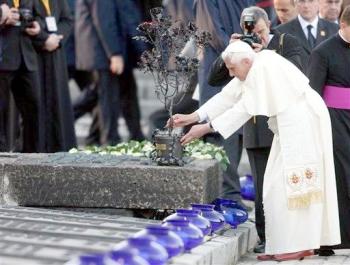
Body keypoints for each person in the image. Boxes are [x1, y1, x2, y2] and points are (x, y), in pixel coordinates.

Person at [169, 40, 340, 261]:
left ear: (247, 61)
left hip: (304, 123)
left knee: (293, 186)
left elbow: (245, 108)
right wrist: (193, 117)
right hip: (289, 125)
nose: (230, 74)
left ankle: (302, 244)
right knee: (274, 186)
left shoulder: (263, 67)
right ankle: (289, 244)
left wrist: (207, 128)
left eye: (232, 69)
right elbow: (226, 97)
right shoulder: (251, 66)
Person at [208, 6, 303, 254]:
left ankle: (292, 237)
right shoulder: (241, 49)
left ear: (268, 25)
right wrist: (231, 50)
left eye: (260, 31)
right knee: (261, 189)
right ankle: (265, 237)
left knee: (286, 185)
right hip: (255, 129)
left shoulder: (285, 41)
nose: (257, 37)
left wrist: (262, 55)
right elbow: (214, 79)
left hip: (284, 128)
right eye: (252, 32)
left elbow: (295, 73)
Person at [194, 0, 255, 206]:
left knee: (237, 137)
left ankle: (230, 195)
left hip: (243, 73)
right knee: (222, 140)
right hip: (220, 73)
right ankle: (227, 197)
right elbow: (212, 32)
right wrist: (240, 48)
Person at [307, 5, 350, 254]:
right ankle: (335, 237)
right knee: (340, 178)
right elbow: (313, 94)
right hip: (335, 122)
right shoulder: (322, 51)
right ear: (342, 26)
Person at [33, 0, 76, 152]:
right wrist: (44, 39)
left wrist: (56, 38)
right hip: (34, 53)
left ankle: (57, 147)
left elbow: (67, 19)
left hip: (55, 52)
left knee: (57, 102)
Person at [0, 0, 42, 153]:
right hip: (3, 55)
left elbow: (37, 14)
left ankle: (30, 154)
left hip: (26, 56)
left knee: (34, 106)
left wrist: (38, 26)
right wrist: (2, 16)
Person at [276, 0, 338, 69]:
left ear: (319, 2)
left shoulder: (334, 29)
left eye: (311, 1)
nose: (306, 5)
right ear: (295, 3)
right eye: (302, 1)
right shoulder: (281, 31)